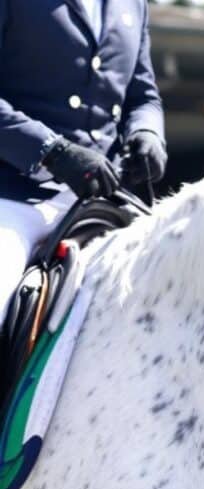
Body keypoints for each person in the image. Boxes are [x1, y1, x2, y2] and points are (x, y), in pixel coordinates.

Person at [0, 0, 166, 320]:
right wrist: (51, 151)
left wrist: (148, 133)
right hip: (17, 196)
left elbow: (142, 96)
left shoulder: (132, 5)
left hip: (105, 199)